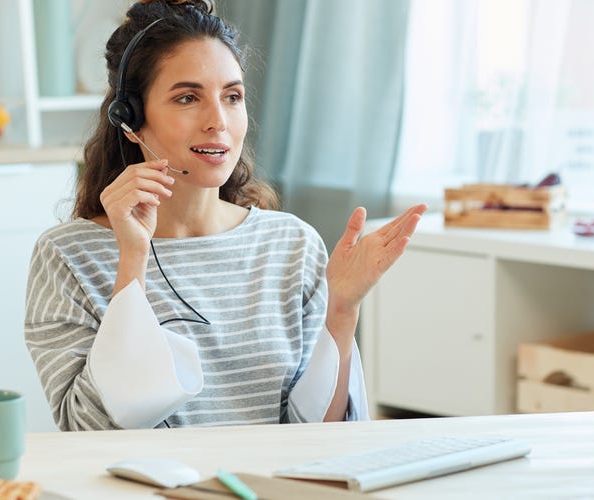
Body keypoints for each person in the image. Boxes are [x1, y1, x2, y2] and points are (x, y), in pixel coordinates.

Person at [25, 0, 426, 431]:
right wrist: (133, 261)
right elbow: (88, 432)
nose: (218, 121)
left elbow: (318, 437)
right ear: (132, 120)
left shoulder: (293, 245)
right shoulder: (68, 256)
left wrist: (342, 311)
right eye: (187, 98)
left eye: (232, 96)